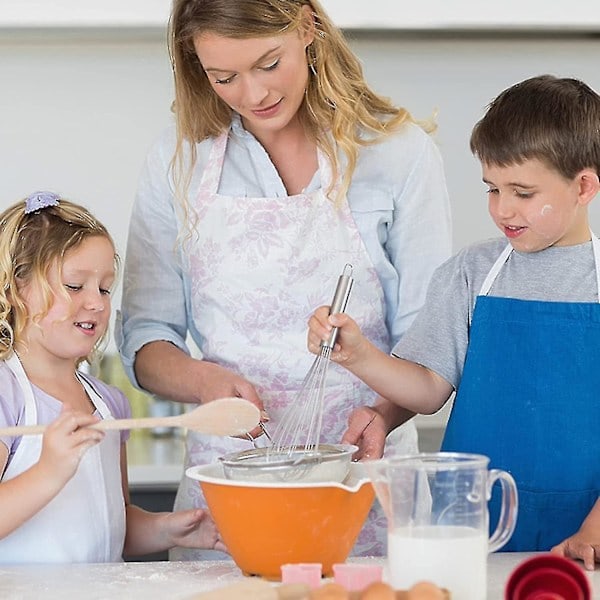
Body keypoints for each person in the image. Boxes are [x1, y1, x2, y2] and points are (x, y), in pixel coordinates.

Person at [117, 0, 451, 558]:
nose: (253, 95)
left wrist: (384, 413)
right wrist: (203, 383)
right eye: (223, 77)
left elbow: (430, 347)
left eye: (269, 64)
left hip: (367, 487)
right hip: (228, 496)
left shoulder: (398, 154)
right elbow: (147, 340)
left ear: (307, 27)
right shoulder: (178, 160)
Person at [307, 74, 600, 568]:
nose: (502, 208)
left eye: (523, 192)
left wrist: (595, 527)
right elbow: (427, 388)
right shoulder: (473, 272)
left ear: (584, 186)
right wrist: (359, 355)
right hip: (471, 527)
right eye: (492, 188)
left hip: (583, 538)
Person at [0, 192, 224, 563]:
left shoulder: (108, 403)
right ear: (15, 289)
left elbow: (112, 524)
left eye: (104, 288)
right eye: (75, 285)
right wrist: (49, 471)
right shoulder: (6, 394)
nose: (98, 302)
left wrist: (168, 529)